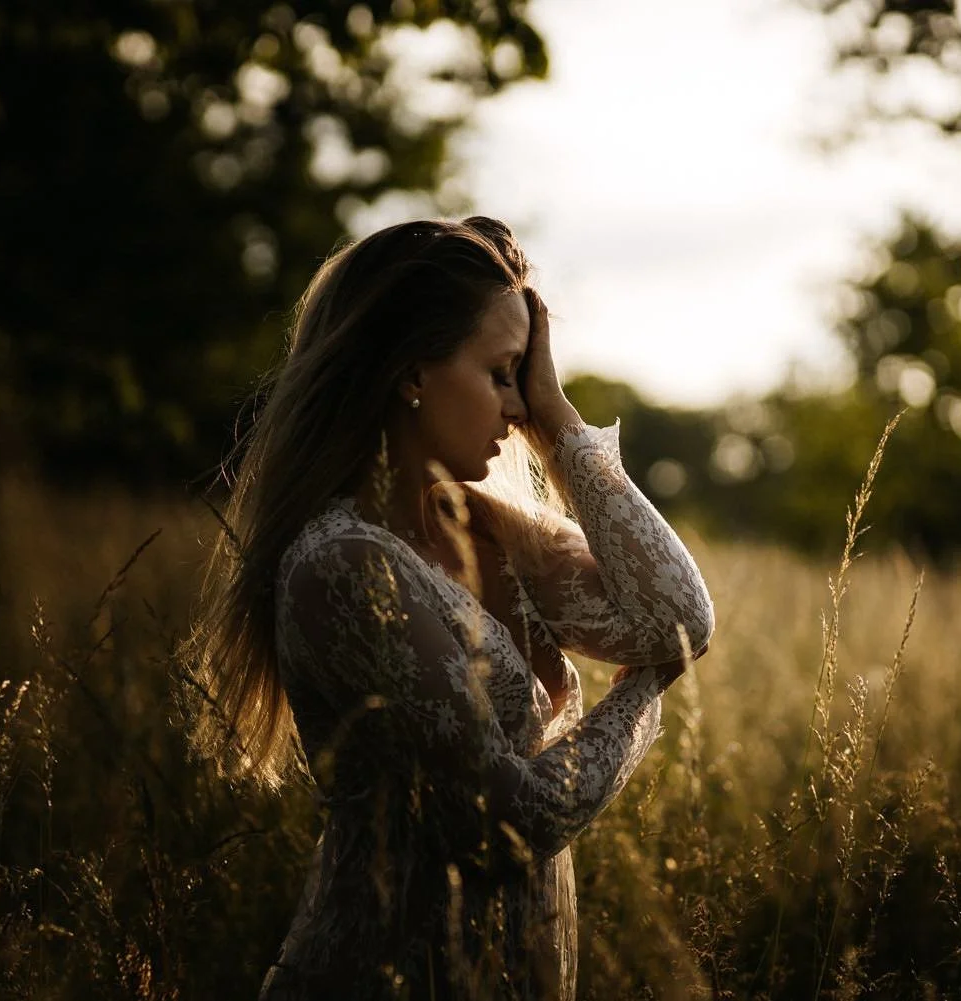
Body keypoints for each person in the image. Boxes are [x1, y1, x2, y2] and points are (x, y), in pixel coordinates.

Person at [187, 216, 715, 1000]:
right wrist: (644, 691)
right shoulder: (344, 567)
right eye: (503, 374)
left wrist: (556, 415)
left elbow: (679, 617)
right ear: (411, 373)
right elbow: (509, 824)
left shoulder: (481, 531)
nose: (516, 407)